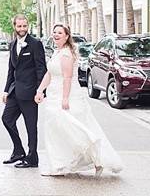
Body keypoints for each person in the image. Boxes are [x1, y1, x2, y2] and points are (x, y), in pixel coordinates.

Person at [35, 24, 123, 176]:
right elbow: (49, 74)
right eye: (54, 32)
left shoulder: (66, 54)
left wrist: (64, 99)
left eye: (60, 33)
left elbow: (67, 78)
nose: (56, 35)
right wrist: (40, 90)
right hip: (53, 95)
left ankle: (63, 165)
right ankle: (65, 164)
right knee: (59, 131)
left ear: (67, 36)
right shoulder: (57, 52)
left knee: (72, 130)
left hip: (65, 96)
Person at [1, 14, 47, 168]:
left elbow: (41, 68)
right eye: (19, 26)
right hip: (15, 92)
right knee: (6, 119)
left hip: (30, 93)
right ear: (14, 26)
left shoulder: (35, 44)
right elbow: (10, 70)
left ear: (28, 26)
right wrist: (6, 90)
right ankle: (18, 151)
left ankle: (32, 157)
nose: (22, 29)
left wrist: (40, 91)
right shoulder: (13, 44)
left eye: (24, 26)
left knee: (30, 126)